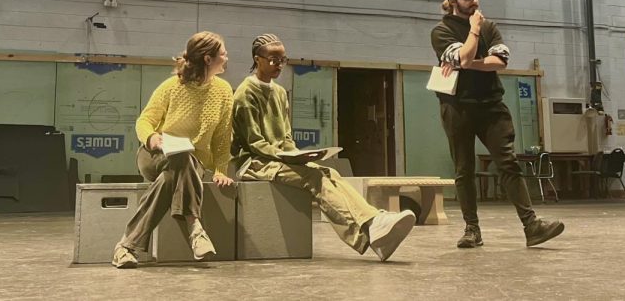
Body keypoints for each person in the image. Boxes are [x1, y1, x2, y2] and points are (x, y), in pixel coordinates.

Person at [231, 33, 416, 261]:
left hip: (278, 159)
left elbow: (286, 136)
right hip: (254, 162)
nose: (278, 65)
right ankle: (369, 230)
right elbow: (255, 142)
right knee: (313, 177)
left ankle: (374, 222)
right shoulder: (245, 93)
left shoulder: (279, 93)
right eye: (272, 59)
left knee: (330, 171)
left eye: (282, 59)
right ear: (256, 59)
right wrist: (285, 156)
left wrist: (297, 154)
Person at [431, 0, 565, 249]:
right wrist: (474, 33)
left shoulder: (490, 26)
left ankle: (532, 226)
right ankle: (472, 230)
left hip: (491, 106)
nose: (475, 1)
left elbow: (499, 62)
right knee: (464, 169)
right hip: (457, 107)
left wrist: (470, 62)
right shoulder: (442, 32)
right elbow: (465, 55)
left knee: (508, 163)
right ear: (453, 1)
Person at [112, 31, 236, 268]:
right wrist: (151, 138)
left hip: (190, 164)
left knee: (171, 177)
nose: (227, 57)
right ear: (208, 59)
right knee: (178, 160)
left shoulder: (224, 91)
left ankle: (125, 247)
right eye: (223, 53)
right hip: (155, 156)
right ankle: (195, 227)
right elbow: (144, 121)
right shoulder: (171, 86)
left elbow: (222, 137)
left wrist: (221, 170)